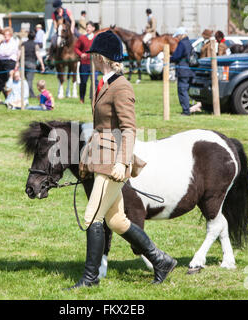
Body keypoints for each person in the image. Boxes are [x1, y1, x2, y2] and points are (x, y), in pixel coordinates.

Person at [70, 30, 177, 289]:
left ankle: (90, 278)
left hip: (113, 163)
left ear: (102, 57)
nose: (92, 59)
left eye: (94, 55)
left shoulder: (121, 86)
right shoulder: (106, 84)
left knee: (91, 217)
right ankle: (161, 260)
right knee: (116, 220)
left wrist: (121, 162)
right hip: (101, 158)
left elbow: (129, 128)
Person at [170, 27, 195, 116]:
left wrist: (168, 59)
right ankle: (191, 108)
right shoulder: (189, 43)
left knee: (182, 90)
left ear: (181, 35)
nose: (177, 38)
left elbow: (176, 56)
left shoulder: (182, 43)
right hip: (190, 70)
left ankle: (186, 111)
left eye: (177, 36)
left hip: (183, 71)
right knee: (186, 90)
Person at [74, 21, 99, 103]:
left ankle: (93, 98)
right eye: (87, 27)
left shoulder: (96, 38)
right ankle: (82, 99)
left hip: (94, 65)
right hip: (84, 64)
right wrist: (81, 54)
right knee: (83, 82)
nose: (87, 28)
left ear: (93, 28)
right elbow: (76, 48)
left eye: (89, 27)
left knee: (94, 82)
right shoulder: (82, 38)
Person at [0, 27, 18, 104]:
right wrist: (0, 54)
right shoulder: (3, 43)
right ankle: (2, 97)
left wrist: (1, 54)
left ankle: (10, 98)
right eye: (4, 35)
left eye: (6, 35)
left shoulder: (13, 42)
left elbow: (7, 53)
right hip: (1, 63)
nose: (5, 36)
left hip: (10, 63)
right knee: (1, 81)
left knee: (9, 80)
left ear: (10, 35)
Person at [21, 31, 45, 98]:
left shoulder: (23, 44)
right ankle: (31, 95)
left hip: (23, 63)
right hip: (31, 63)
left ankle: (25, 94)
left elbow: (19, 54)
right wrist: (42, 64)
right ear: (34, 37)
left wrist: (17, 63)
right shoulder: (35, 45)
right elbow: (38, 54)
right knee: (29, 80)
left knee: (25, 80)